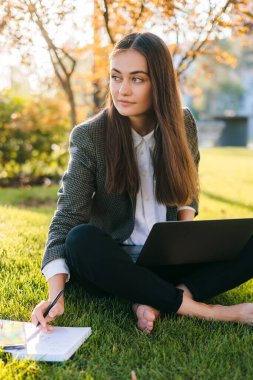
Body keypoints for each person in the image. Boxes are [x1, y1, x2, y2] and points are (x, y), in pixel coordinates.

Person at [32, 32, 253, 334]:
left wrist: (187, 242)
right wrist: (54, 297)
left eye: (137, 79)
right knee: (79, 240)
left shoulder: (182, 122)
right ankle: (205, 310)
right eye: (115, 77)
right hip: (114, 263)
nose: (122, 90)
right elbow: (66, 220)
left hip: (168, 260)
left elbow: (188, 192)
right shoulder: (89, 136)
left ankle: (152, 298)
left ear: (158, 83)